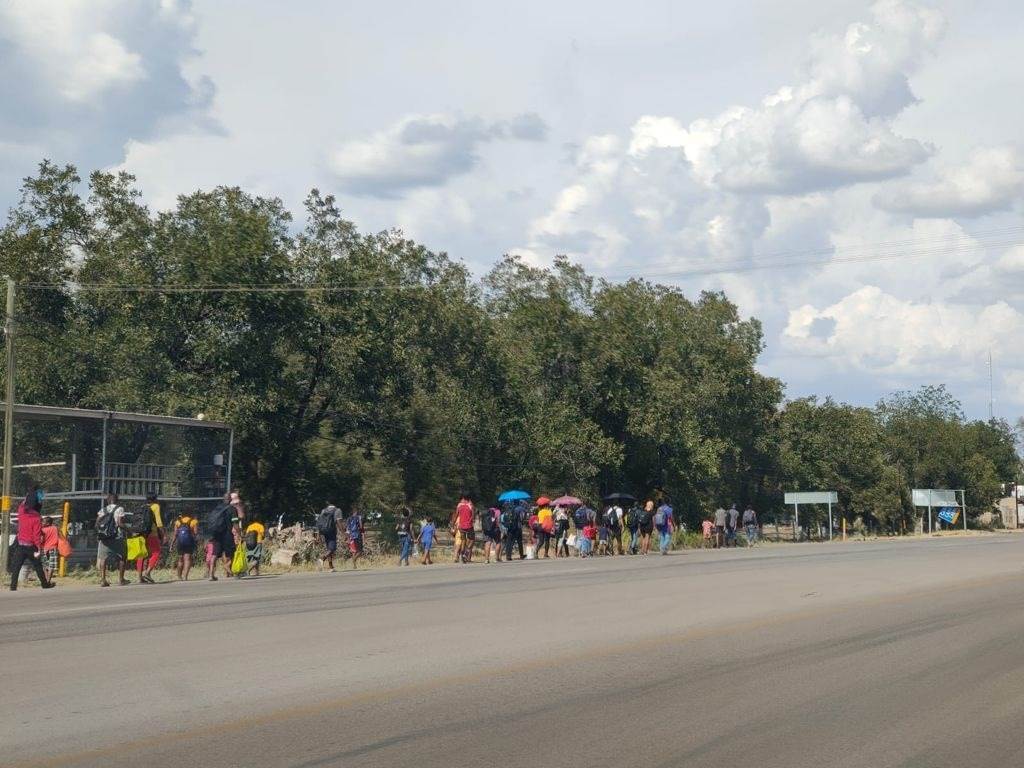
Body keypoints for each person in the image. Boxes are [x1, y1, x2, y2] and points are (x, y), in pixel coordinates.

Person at [9, 489, 55, 591]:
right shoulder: (37, 518)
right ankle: (44, 584)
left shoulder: (22, 513)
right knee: (38, 566)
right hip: (31, 546)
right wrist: (38, 548)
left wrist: (28, 496)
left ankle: (13, 586)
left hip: (21, 545)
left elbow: (22, 505)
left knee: (16, 566)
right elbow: (36, 534)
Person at [97, 493, 128, 587]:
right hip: (117, 536)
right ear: (117, 500)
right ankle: (121, 579)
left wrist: (100, 533)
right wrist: (129, 530)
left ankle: (103, 579)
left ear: (108, 500)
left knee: (103, 558)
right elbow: (119, 523)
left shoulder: (103, 510)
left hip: (104, 537)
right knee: (122, 557)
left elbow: (97, 523)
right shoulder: (120, 509)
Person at [135, 493, 164, 584]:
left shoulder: (142, 506)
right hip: (151, 532)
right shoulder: (155, 506)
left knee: (142, 554)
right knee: (156, 552)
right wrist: (163, 533)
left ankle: (140, 578)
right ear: (155, 499)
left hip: (141, 532)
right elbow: (158, 522)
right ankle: (147, 572)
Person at [206, 493, 237, 582]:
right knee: (232, 552)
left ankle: (211, 574)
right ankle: (227, 567)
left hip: (216, 534)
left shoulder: (217, 508)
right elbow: (235, 523)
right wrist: (238, 533)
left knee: (214, 554)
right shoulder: (232, 509)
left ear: (223, 499)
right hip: (227, 534)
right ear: (230, 499)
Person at [172, 511, 199, 580]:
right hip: (189, 542)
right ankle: (185, 576)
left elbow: (175, 534)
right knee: (187, 559)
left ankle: (179, 576)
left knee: (180, 559)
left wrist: (172, 544)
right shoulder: (193, 521)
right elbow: (195, 533)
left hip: (180, 542)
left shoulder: (177, 522)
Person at [317, 503, 343, 571]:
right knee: (332, 548)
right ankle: (322, 558)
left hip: (324, 531)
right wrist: (343, 533)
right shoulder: (337, 510)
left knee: (329, 549)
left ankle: (331, 567)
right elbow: (339, 522)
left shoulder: (324, 510)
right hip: (331, 531)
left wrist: (319, 535)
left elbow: (320, 523)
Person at [40, 515, 59, 583]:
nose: (42, 523)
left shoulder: (42, 530)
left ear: (47, 523)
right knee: (51, 565)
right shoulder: (55, 528)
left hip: (44, 549)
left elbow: (41, 540)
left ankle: (45, 580)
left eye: (43, 522)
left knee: (45, 565)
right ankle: (48, 580)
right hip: (53, 548)